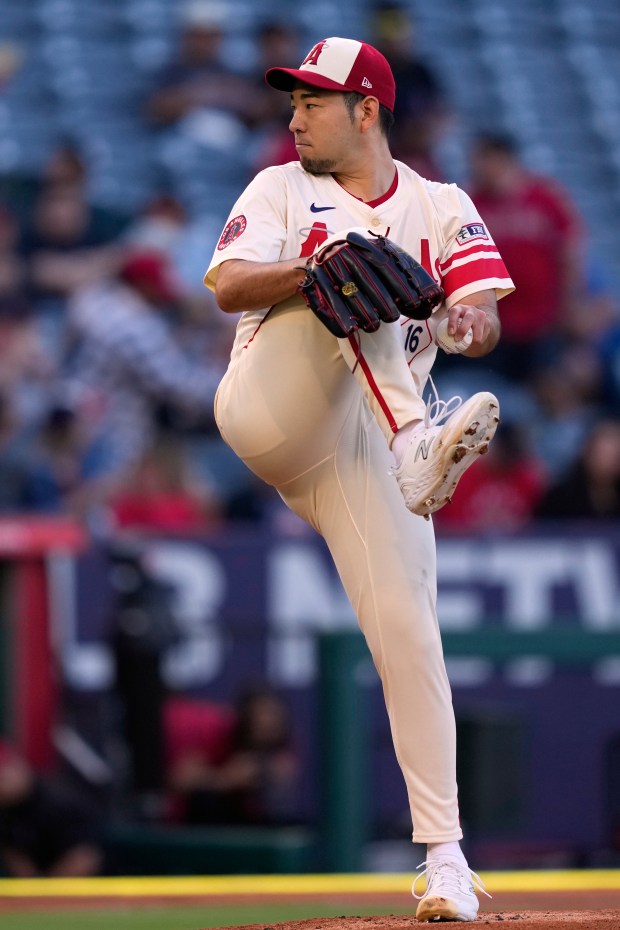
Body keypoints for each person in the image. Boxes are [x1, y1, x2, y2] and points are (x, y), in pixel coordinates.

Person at [203, 37, 514, 922]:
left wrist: (461, 320)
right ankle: (424, 439)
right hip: (274, 404)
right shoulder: (278, 186)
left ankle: (447, 861)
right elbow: (226, 284)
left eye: (312, 100)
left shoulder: (443, 203)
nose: (293, 115)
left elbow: (483, 320)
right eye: (293, 100)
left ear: (366, 109)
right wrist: (310, 269)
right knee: (346, 255)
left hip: (367, 449)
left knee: (411, 633)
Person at [466, 132, 585, 382]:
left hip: (543, 319)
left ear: (504, 159)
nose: (478, 169)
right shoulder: (472, 203)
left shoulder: (544, 198)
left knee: (544, 384)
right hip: (494, 322)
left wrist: (568, 303)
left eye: (484, 160)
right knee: (497, 387)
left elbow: (570, 252)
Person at [0, 740, 104, 877]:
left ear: (18, 766)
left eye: (4, 773)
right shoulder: (7, 809)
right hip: (37, 889)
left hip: (98, 889)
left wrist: (41, 892)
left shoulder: (59, 801)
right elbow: (15, 857)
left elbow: (85, 859)